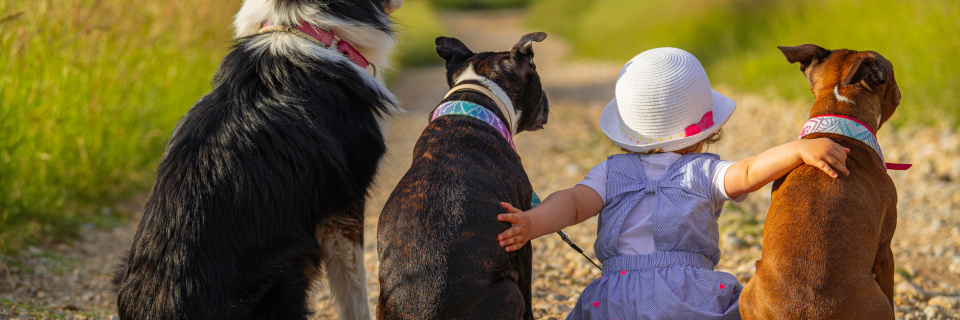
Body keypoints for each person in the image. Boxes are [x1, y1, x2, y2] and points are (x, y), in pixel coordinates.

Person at [496, 47, 850, 319]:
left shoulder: (609, 173)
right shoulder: (703, 171)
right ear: (704, 131)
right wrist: (797, 149)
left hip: (616, 300)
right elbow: (748, 173)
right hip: (689, 296)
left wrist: (532, 222)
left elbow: (572, 204)